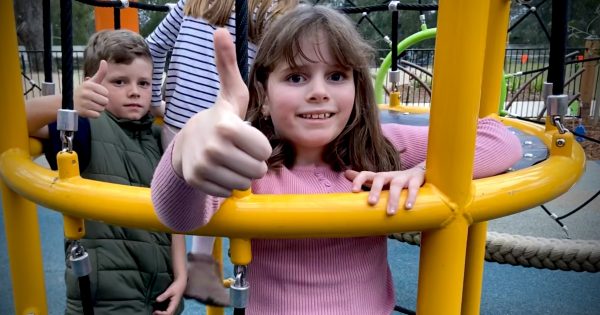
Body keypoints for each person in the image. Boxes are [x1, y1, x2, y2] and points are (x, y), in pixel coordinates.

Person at [151, 5, 523, 315]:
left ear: (357, 87)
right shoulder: (251, 162)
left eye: (336, 76)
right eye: (296, 77)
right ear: (262, 93)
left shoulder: (379, 151)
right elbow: (178, 213)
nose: (318, 92)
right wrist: (187, 149)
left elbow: (500, 139)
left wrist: (425, 172)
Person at [145, 0, 298, 306]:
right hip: (225, 126)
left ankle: (184, 268)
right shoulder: (268, 11)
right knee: (229, 181)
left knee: (186, 195)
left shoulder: (190, 3)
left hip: (176, 126)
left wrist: (154, 102)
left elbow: (152, 48)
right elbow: (278, 67)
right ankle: (201, 266)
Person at [26, 29, 185, 315]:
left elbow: (173, 214)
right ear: (92, 85)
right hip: (105, 297)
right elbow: (13, 120)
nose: (135, 91)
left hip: (159, 292)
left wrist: (181, 275)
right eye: (120, 81)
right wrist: (69, 102)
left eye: (145, 83)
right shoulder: (84, 128)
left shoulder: (160, 139)